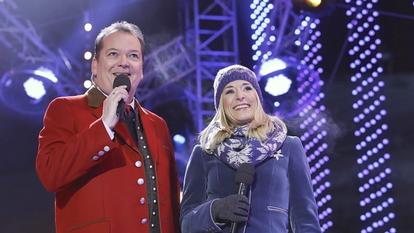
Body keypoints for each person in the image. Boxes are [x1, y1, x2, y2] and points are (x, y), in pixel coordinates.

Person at [36, 21, 180, 233]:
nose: (124, 63)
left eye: (133, 56)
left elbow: (171, 199)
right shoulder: (65, 109)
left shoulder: (157, 124)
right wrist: (103, 126)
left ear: (141, 69)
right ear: (95, 65)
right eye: (113, 54)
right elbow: (50, 175)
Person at [180, 64, 322, 232]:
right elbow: (185, 224)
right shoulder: (204, 153)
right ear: (221, 104)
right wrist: (215, 210)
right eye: (229, 91)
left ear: (257, 97)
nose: (240, 96)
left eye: (247, 88)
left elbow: (306, 220)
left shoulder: (289, 146)